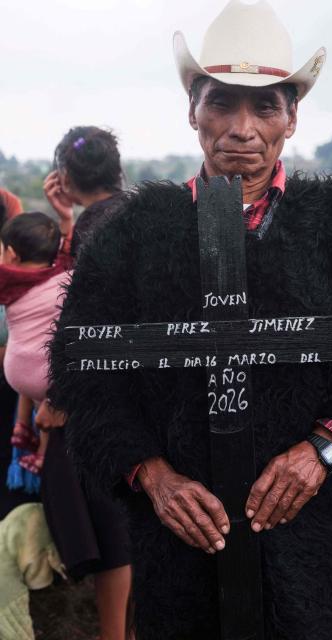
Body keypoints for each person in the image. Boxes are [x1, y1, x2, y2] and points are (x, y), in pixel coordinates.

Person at [49, 2, 332, 639]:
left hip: (323, 541)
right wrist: (153, 475)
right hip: (181, 543)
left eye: (264, 107)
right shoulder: (134, 237)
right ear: (192, 111)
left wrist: (326, 449)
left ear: (292, 117)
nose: (242, 129)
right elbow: (84, 373)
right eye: (222, 103)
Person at [42, 128, 132, 640]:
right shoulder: (129, 210)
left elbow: (88, 321)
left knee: (109, 526)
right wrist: (66, 222)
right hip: (145, 389)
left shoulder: (98, 227)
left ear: (67, 177)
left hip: (111, 400)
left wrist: (59, 398)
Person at [0, 212, 70, 473]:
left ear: (12, 253)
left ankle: (24, 431)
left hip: (25, 372)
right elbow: (66, 257)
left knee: (41, 403)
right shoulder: (64, 278)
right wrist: (65, 224)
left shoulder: (6, 280)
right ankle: (41, 453)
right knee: (45, 408)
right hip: (48, 377)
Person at [43, 125, 125, 259]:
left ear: (66, 180)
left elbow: (69, 276)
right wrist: (66, 219)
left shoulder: (88, 227)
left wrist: (66, 224)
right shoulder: (138, 206)